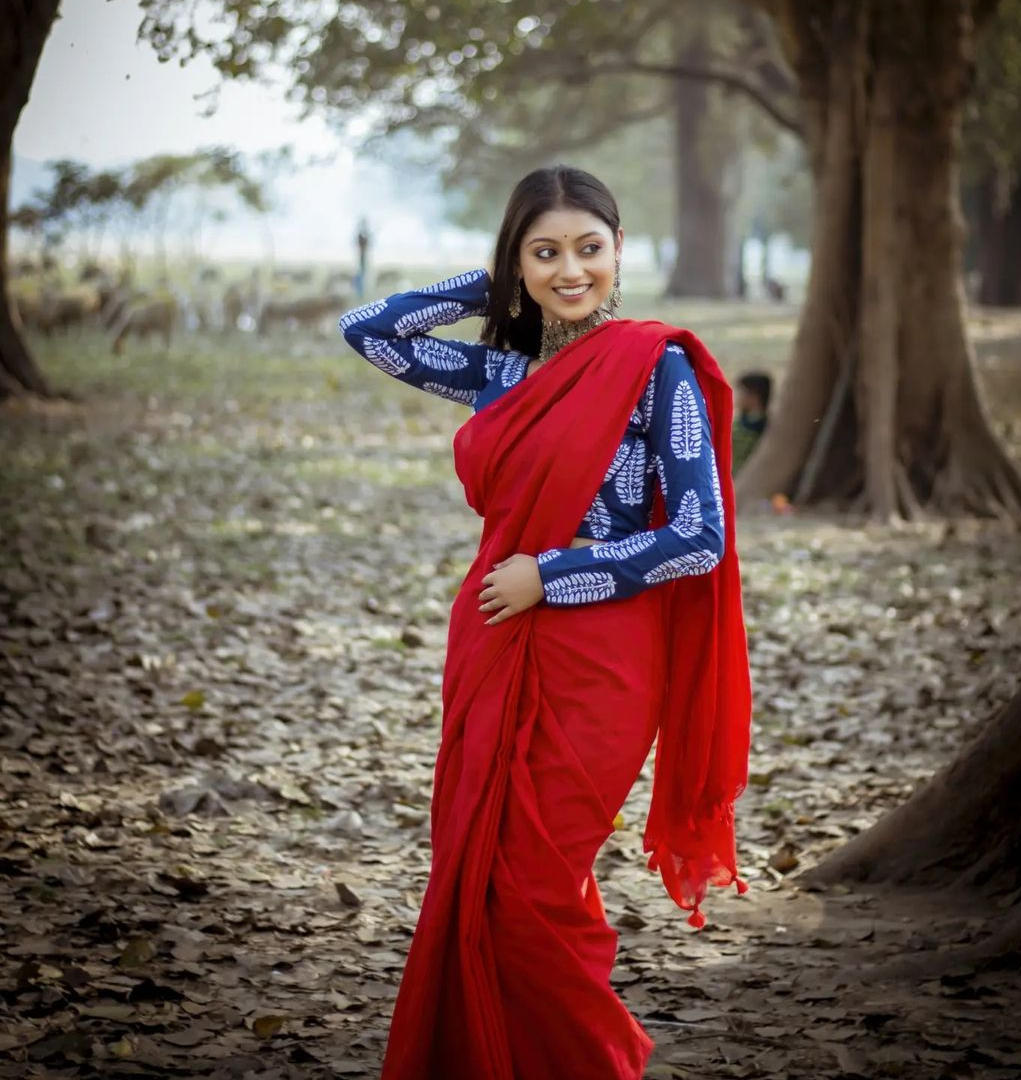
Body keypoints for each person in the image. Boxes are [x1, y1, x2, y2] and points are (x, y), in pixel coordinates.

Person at [339, 165, 752, 1080]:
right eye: (545, 252)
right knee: (479, 873)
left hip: (601, 657)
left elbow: (698, 537)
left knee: (531, 882)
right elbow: (368, 331)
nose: (572, 270)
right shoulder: (502, 371)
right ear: (515, 263)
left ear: (619, 251)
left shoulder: (658, 367)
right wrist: (488, 285)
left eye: (589, 248)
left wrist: (553, 575)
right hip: (492, 642)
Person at [731, 371, 772, 474]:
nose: (736, 396)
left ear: (753, 396)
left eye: (741, 392)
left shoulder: (761, 427)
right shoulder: (739, 422)